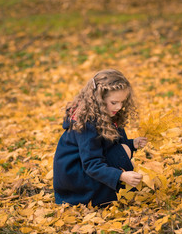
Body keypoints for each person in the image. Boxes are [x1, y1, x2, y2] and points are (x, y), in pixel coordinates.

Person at [53, 69, 147, 207]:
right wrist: (121, 176)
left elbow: (109, 144)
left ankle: (114, 184)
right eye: (114, 102)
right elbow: (91, 163)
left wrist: (133, 143)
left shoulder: (108, 113)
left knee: (124, 150)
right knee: (123, 155)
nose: (119, 107)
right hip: (76, 180)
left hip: (87, 168)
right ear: (99, 100)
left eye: (123, 102)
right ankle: (103, 192)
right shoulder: (86, 124)